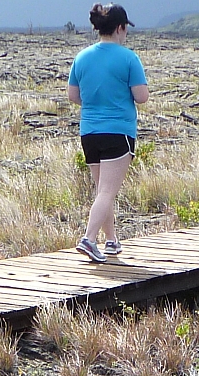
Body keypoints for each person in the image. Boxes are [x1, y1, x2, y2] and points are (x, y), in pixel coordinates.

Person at [67, 3, 148, 262]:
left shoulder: (81, 57)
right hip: (118, 132)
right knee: (107, 192)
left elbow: (73, 96)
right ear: (120, 28)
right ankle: (89, 239)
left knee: (103, 188)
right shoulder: (128, 58)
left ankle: (111, 240)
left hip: (89, 133)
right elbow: (142, 97)